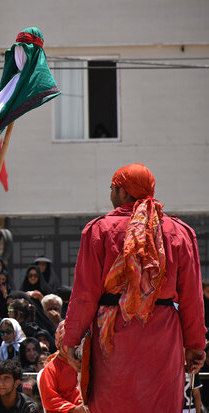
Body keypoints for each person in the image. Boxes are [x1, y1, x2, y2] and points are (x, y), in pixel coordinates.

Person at [62, 163, 206, 412]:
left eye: (111, 188)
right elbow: (192, 298)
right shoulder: (180, 232)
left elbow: (85, 295)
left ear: (121, 192)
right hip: (163, 335)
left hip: (113, 337)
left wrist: (71, 340)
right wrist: (195, 345)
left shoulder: (99, 230)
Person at [38, 321, 86, 413]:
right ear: (59, 343)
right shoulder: (51, 369)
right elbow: (49, 400)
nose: (73, 344)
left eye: (76, 339)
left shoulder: (87, 362)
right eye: (68, 340)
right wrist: (75, 410)